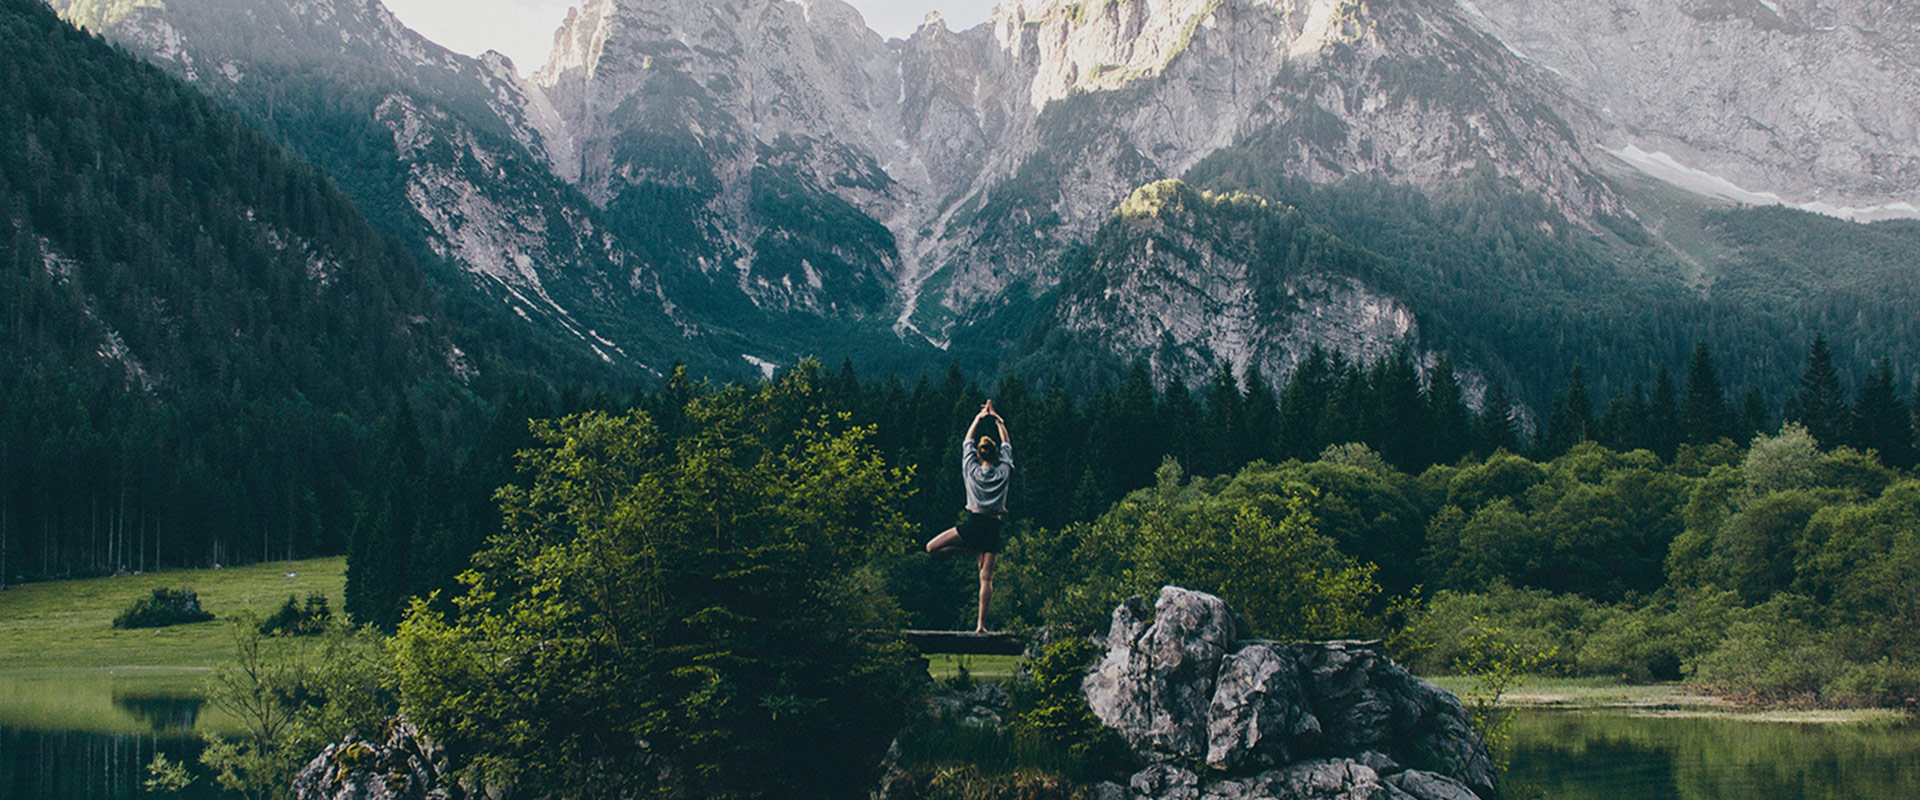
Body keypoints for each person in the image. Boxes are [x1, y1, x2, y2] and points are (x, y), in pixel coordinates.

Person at [925, 399, 1012, 633]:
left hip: (973, 524)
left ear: (978, 454)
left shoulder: (971, 469)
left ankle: (970, 549)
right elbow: (1007, 445)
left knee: (932, 548)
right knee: (986, 580)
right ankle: (980, 625)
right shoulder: (1004, 471)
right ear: (996, 455)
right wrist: (997, 420)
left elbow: (966, 442)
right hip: (993, 528)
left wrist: (979, 417)